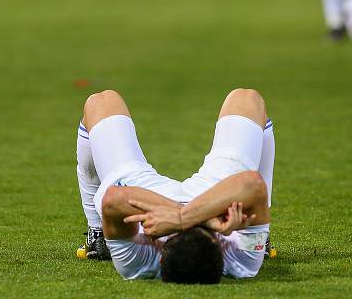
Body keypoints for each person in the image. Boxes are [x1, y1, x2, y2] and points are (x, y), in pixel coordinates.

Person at [75, 88, 275, 284]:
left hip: (149, 195)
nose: (181, 229)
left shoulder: (137, 264)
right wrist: (196, 218)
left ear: (160, 258)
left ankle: (98, 234)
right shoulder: (242, 259)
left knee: (101, 102)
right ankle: (260, 237)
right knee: (247, 99)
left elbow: (115, 198)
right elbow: (252, 183)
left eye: (176, 233)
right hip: (213, 196)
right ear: (221, 248)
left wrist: (181, 218)